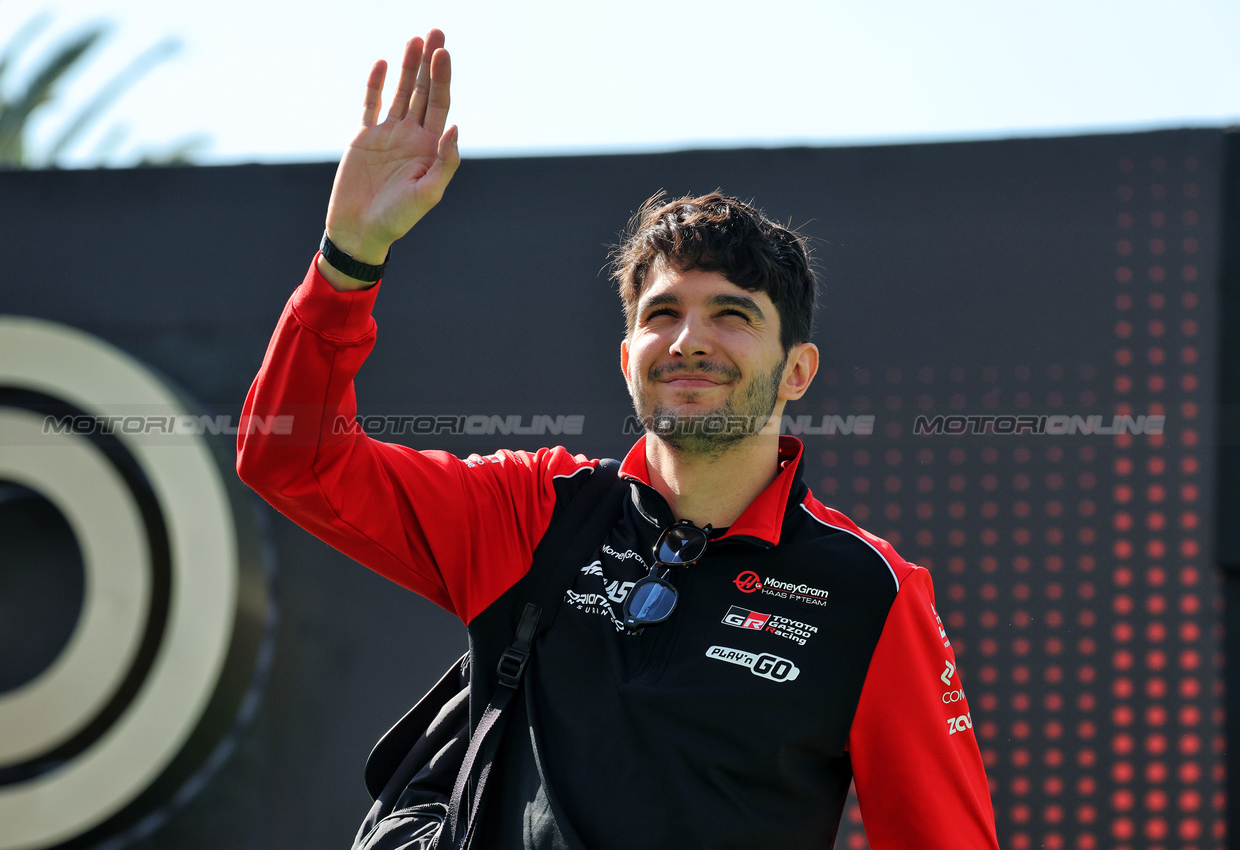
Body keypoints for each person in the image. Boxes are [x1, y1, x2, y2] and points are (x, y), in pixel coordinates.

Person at [237, 28, 1000, 850]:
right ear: (627, 356)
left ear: (797, 371)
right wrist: (349, 257)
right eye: (661, 315)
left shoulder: (869, 591)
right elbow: (294, 458)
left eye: (732, 316)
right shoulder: (535, 507)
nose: (688, 341)